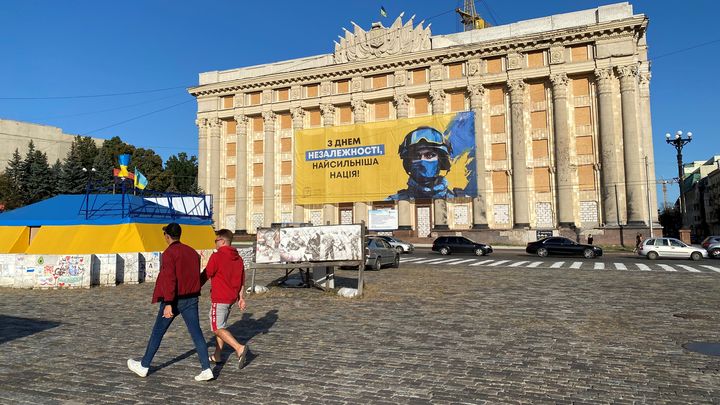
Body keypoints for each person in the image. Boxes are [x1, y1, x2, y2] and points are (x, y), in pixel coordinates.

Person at [127, 223, 214, 381]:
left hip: (174, 300)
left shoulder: (169, 254)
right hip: (192, 298)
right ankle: (206, 368)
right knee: (197, 333)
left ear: (167, 236)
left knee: (158, 332)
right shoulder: (193, 253)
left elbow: (170, 280)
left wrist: (168, 303)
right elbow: (195, 276)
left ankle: (144, 365)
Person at [200, 229, 248, 369]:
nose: (215, 244)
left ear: (222, 241)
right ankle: (217, 354)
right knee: (221, 326)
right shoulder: (238, 258)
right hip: (231, 298)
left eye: (216, 241)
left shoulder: (217, 256)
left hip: (220, 297)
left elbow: (206, 274)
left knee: (216, 327)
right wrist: (241, 297)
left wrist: (194, 287)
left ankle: (239, 348)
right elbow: (242, 279)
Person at [387, 127, 464, 200]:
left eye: (429, 155)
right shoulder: (392, 204)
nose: (422, 161)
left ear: (441, 161)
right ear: (408, 164)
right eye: (416, 156)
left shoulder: (462, 201)